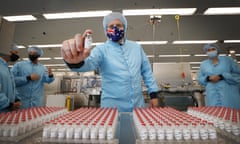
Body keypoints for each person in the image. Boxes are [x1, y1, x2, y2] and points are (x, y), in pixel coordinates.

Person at [61, 12, 161, 112]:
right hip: (111, 108)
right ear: (106, 30)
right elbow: (88, 64)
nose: (115, 28)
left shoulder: (136, 48)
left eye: (118, 25)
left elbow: (147, 73)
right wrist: (75, 62)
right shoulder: (101, 50)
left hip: (137, 105)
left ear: (124, 27)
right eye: (111, 26)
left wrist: (154, 95)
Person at [198, 43, 240, 109]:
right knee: (215, 114)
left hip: (228, 92)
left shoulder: (227, 60)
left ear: (217, 50)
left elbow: (237, 74)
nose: (211, 51)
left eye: (213, 49)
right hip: (212, 93)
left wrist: (222, 76)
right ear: (206, 52)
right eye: (208, 50)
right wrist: (208, 78)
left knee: (230, 113)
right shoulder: (203, 64)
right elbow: (200, 78)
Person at [0, 44, 21, 112]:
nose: (17, 55)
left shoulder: (7, 68)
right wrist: (8, 104)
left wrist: (16, 99)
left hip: (7, 110)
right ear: (7, 51)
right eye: (16, 52)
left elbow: (12, 87)